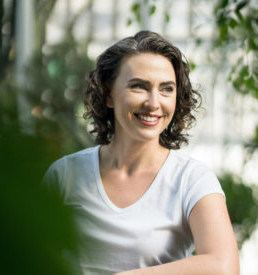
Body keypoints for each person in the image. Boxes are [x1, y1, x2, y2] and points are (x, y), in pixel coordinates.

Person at [43, 31, 239, 275]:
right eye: (139, 87)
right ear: (108, 95)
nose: (154, 103)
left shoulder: (192, 179)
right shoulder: (65, 175)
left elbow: (224, 266)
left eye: (166, 89)